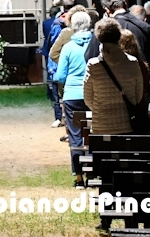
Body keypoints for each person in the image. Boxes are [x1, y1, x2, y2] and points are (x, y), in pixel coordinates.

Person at [83, 18, 144, 135]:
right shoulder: (132, 62)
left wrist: (99, 109)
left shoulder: (93, 65)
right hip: (127, 124)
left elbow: (88, 98)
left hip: (101, 125)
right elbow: (138, 95)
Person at [53, 11, 92, 189]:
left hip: (72, 96)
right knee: (93, 134)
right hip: (93, 94)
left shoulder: (68, 47)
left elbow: (60, 76)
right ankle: (93, 173)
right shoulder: (96, 45)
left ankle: (79, 177)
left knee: (75, 136)